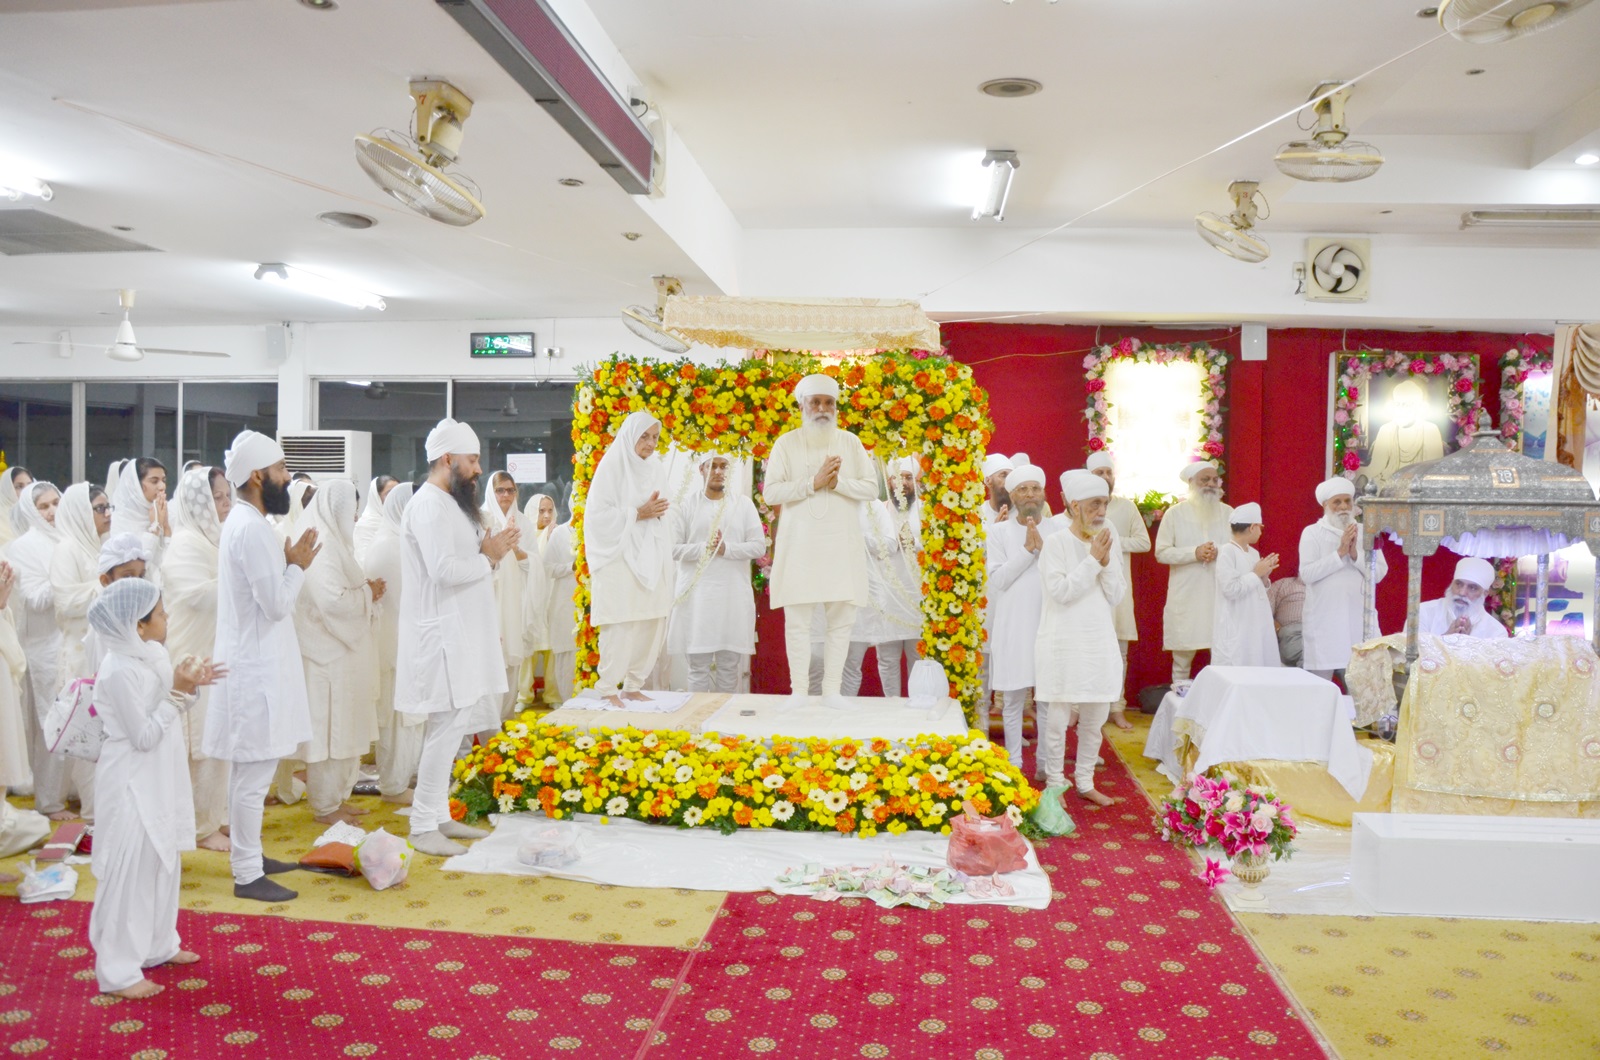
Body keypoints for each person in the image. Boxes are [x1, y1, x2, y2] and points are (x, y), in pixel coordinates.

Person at [86, 578, 222, 999]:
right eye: (160, 614)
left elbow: (171, 704)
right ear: (138, 625)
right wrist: (178, 692)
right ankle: (118, 972)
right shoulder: (117, 669)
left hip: (161, 773)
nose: (168, 618)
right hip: (131, 779)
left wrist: (189, 684)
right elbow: (143, 735)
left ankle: (159, 944)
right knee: (131, 871)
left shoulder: (153, 653)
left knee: (163, 860)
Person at [205, 430, 319, 903]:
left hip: (255, 664)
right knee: (252, 777)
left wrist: (287, 563)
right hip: (253, 672)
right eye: (281, 469)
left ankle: (248, 856)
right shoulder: (250, 528)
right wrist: (297, 567)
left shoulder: (248, 522)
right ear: (257, 476)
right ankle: (248, 874)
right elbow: (275, 605)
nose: (287, 477)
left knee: (249, 774)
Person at [396, 418, 517, 858]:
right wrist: (488, 558)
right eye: (473, 460)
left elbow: (469, 560)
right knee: (444, 731)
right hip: (442, 636)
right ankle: (421, 826)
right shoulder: (429, 506)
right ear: (448, 460)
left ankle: (438, 815)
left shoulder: (450, 504)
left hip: (459, 633)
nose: (479, 469)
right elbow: (443, 570)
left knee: (451, 730)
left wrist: (490, 553)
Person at [763, 374, 879, 707]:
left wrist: (838, 483)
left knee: (840, 622)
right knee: (797, 623)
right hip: (800, 548)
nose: (823, 409)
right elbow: (771, 492)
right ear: (802, 406)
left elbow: (871, 488)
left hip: (841, 547)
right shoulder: (786, 444)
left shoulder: (850, 443)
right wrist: (812, 483)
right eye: (815, 402)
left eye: (829, 403)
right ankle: (799, 691)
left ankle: (831, 691)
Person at [294, 480, 382, 826]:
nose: (356, 517)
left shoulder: (336, 544)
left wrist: (365, 591)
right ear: (336, 510)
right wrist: (368, 593)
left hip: (341, 653)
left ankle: (336, 800)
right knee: (328, 732)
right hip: (324, 655)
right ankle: (324, 806)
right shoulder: (322, 544)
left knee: (343, 728)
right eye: (351, 510)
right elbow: (331, 600)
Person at [1035, 470, 1124, 807]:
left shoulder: (1107, 538)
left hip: (1098, 641)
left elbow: (1116, 594)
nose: (1101, 511)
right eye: (1094, 504)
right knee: (1057, 719)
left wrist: (1106, 562)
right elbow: (1061, 592)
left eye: (1105, 504)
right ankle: (1055, 783)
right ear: (1075, 506)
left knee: (1095, 718)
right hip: (1063, 641)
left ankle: (1085, 782)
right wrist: (1093, 561)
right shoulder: (1056, 543)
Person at [164, 466, 232, 850]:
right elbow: (196, 595)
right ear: (197, 503)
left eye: (227, 496)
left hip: (214, 649)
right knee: (199, 744)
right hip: (191, 653)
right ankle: (199, 827)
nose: (225, 504)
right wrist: (239, 578)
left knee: (218, 739)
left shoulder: (215, 538)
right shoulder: (186, 542)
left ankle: (215, 817)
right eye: (216, 498)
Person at [584, 412, 673, 700]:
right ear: (630, 436)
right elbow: (596, 517)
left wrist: (655, 516)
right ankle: (608, 688)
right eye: (644, 436)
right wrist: (637, 513)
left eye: (655, 437)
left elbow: (666, 509)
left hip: (651, 554)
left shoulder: (656, 468)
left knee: (651, 621)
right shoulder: (612, 466)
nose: (650, 443)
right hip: (618, 557)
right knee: (621, 622)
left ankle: (634, 685)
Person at [667, 454, 766, 693]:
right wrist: (705, 548)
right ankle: (698, 716)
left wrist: (726, 549)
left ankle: (725, 716)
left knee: (729, 667)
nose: (718, 471)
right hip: (697, 600)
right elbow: (672, 549)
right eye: (712, 466)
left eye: (724, 466)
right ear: (701, 469)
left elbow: (758, 547)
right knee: (698, 668)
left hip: (732, 597)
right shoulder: (686, 506)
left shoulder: (742, 505)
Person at [986, 464, 1064, 761]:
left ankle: (1045, 762)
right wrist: (1027, 550)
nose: (1030, 494)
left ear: (1043, 493)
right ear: (1012, 495)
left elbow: (1063, 576)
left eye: (1035, 488)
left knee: (1046, 699)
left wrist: (1043, 550)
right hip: (1013, 625)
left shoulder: (1058, 530)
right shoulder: (998, 531)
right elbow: (999, 579)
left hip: (1049, 623)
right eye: (1023, 489)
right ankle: (1014, 761)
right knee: (1012, 698)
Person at [7, 482, 69, 818]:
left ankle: (69, 791)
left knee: (76, 717)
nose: (52, 511)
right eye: (44, 506)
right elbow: (34, 598)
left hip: (70, 641)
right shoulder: (23, 547)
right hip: (43, 647)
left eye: (56, 503)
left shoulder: (67, 538)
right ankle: (49, 801)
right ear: (32, 511)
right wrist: (66, 578)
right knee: (51, 723)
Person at [1080, 453, 1151, 728]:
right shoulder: (1080, 508)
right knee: (1086, 649)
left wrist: (1110, 542)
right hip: (1088, 587)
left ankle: (1117, 706)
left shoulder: (1126, 507)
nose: (1105, 477)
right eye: (1099, 472)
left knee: (1119, 652)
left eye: (1109, 472)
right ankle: (1079, 707)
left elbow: (1144, 543)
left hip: (1118, 589)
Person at [842, 456, 922, 697]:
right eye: (897, 478)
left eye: (908, 478)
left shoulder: (927, 510)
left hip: (918, 596)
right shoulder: (881, 508)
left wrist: (914, 542)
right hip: (887, 596)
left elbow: (940, 546)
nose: (903, 483)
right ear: (888, 482)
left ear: (916, 481)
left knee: (918, 656)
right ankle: (892, 706)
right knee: (887, 658)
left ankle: (916, 709)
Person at [362, 482, 421, 803]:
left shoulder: (399, 541)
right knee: (398, 719)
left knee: (407, 718)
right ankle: (394, 785)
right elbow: (404, 599)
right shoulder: (389, 546)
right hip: (396, 646)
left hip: (406, 644)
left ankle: (402, 778)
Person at [1301, 477, 1388, 680]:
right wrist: (1340, 553)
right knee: (1320, 685)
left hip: (1359, 618)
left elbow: (1380, 573)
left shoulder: (1366, 532)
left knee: (1363, 682)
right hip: (1325, 619)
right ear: (1325, 505)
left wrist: (1355, 555)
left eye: (1347, 501)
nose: (1343, 507)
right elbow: (1306, 574)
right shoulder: (1312, 533)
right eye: (1337, 502)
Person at [1155, 461, 1233, 685]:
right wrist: (1194, 553)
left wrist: (1218, 551)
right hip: (1187, 595)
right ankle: (1179, 701)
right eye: (1204, 479)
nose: (1211, 484)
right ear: (1191, 483)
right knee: (1182, 657)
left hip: (1219, 594)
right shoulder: (1174, 514)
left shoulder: (1229, 513)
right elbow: (1161, 553)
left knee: (1222, 655)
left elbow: (1239, 548)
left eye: (1214, 479)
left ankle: (1220, 700)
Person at [483, 470, 547, 716]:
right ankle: (487, 721)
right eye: (500, 490)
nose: (506, 495)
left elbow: (535, 563)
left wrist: (517, 551)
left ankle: (506, 717)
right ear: (492, 492)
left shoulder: (523, 523)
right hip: (489, 599)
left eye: (511, 490)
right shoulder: (481, 519)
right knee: (489, 657)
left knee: (512, 656)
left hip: (515, 598)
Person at [1212, 503, 1280, 667]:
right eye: (1260, 528)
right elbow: (1230, 590)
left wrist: (1264, 577)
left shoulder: (1253, 553)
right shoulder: (1227, 551)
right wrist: (1256, 573)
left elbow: (1256, 588)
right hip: (1238, 627)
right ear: (1252, 527)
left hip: (1257, 624)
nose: (1261, 532)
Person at [1367, 379, 1445, 485]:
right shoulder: (1386, 430)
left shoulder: (1430, 430)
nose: (1401, 409)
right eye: (1398, 404)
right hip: (1388, 485)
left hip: (1418, 486)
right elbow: (1375, 468)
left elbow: (1434, 470)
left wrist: (1408, 478)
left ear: (1417, 407)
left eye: (1407, 404)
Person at [539, 503, 579, 705]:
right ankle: (568, 708)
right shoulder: (560, 533)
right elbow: (547, 568)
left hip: (593, 609)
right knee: (567, 659)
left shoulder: (598, 532)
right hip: (565, 606)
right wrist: (571, 567)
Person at [110, 459, 171, 586]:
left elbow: (169, 564)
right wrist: (155, 529)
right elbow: (138, 570)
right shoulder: (121, 520)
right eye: (154, 481)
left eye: (164, 480)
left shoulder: (160, 512)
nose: (162, 486)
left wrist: (166, 528)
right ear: (136, 485)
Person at [1413, 557, 1508, 639]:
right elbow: (1409, 653)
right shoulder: (1423, 612)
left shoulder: (1496, 632)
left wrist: (1466, 645)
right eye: (1459, 584)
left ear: (1485, 594)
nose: (1462, 593)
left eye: (1472, 588)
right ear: (1452, 584)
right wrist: (1445, 639)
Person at [353, 475, 398, 561]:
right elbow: (363, 561)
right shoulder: (366, 525)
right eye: (389, 494)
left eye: (397, 493)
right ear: (377, 497)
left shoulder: (401, 522)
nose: (395, 497)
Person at [1267, 575, 1306, 667]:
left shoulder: (1331, 588)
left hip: (1325, 634)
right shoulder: (1283, 584)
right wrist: (1277, 628)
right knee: (1311, 655)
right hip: (1294, 634)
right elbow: (1262, 612)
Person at [0, 466, 31, 548]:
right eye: (19, 487)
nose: (26, 490)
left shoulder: (39, 513)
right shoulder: (2, 518)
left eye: (29, 485)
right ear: (7, 489)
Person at [980, 454, 1011, 525]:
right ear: (988, 481)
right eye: (1004, 475)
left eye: (1011, 476)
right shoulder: (977, 513)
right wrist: (995, 529)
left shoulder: (1022, 512)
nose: (1009, 480)